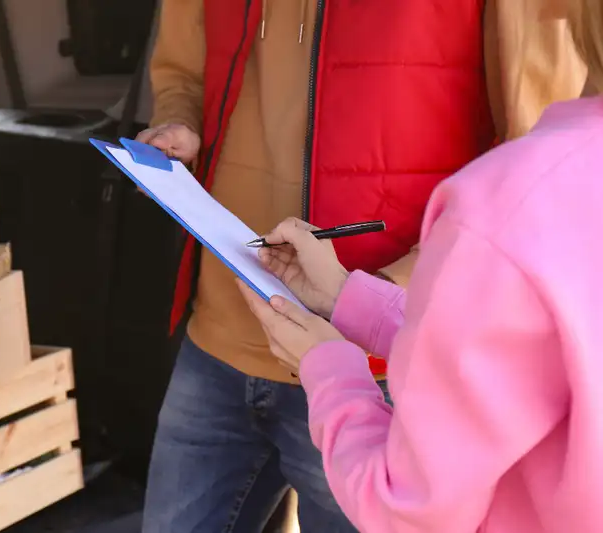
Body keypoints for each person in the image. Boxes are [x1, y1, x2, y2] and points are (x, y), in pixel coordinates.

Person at [136, 0, 586, 531]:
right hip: (222, 332)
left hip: (379, 358)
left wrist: (383, 299)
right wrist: (179, 119)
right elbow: (182, 69)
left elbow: (532, 155)